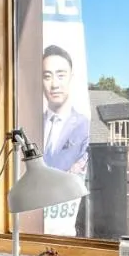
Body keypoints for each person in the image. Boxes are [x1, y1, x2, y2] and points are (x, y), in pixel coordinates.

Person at [41, 45, 88, 175]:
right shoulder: (32, 125)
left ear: (71, 78)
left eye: (61, 76)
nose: (54, 85)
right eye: (47, 76)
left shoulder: (84, 126)